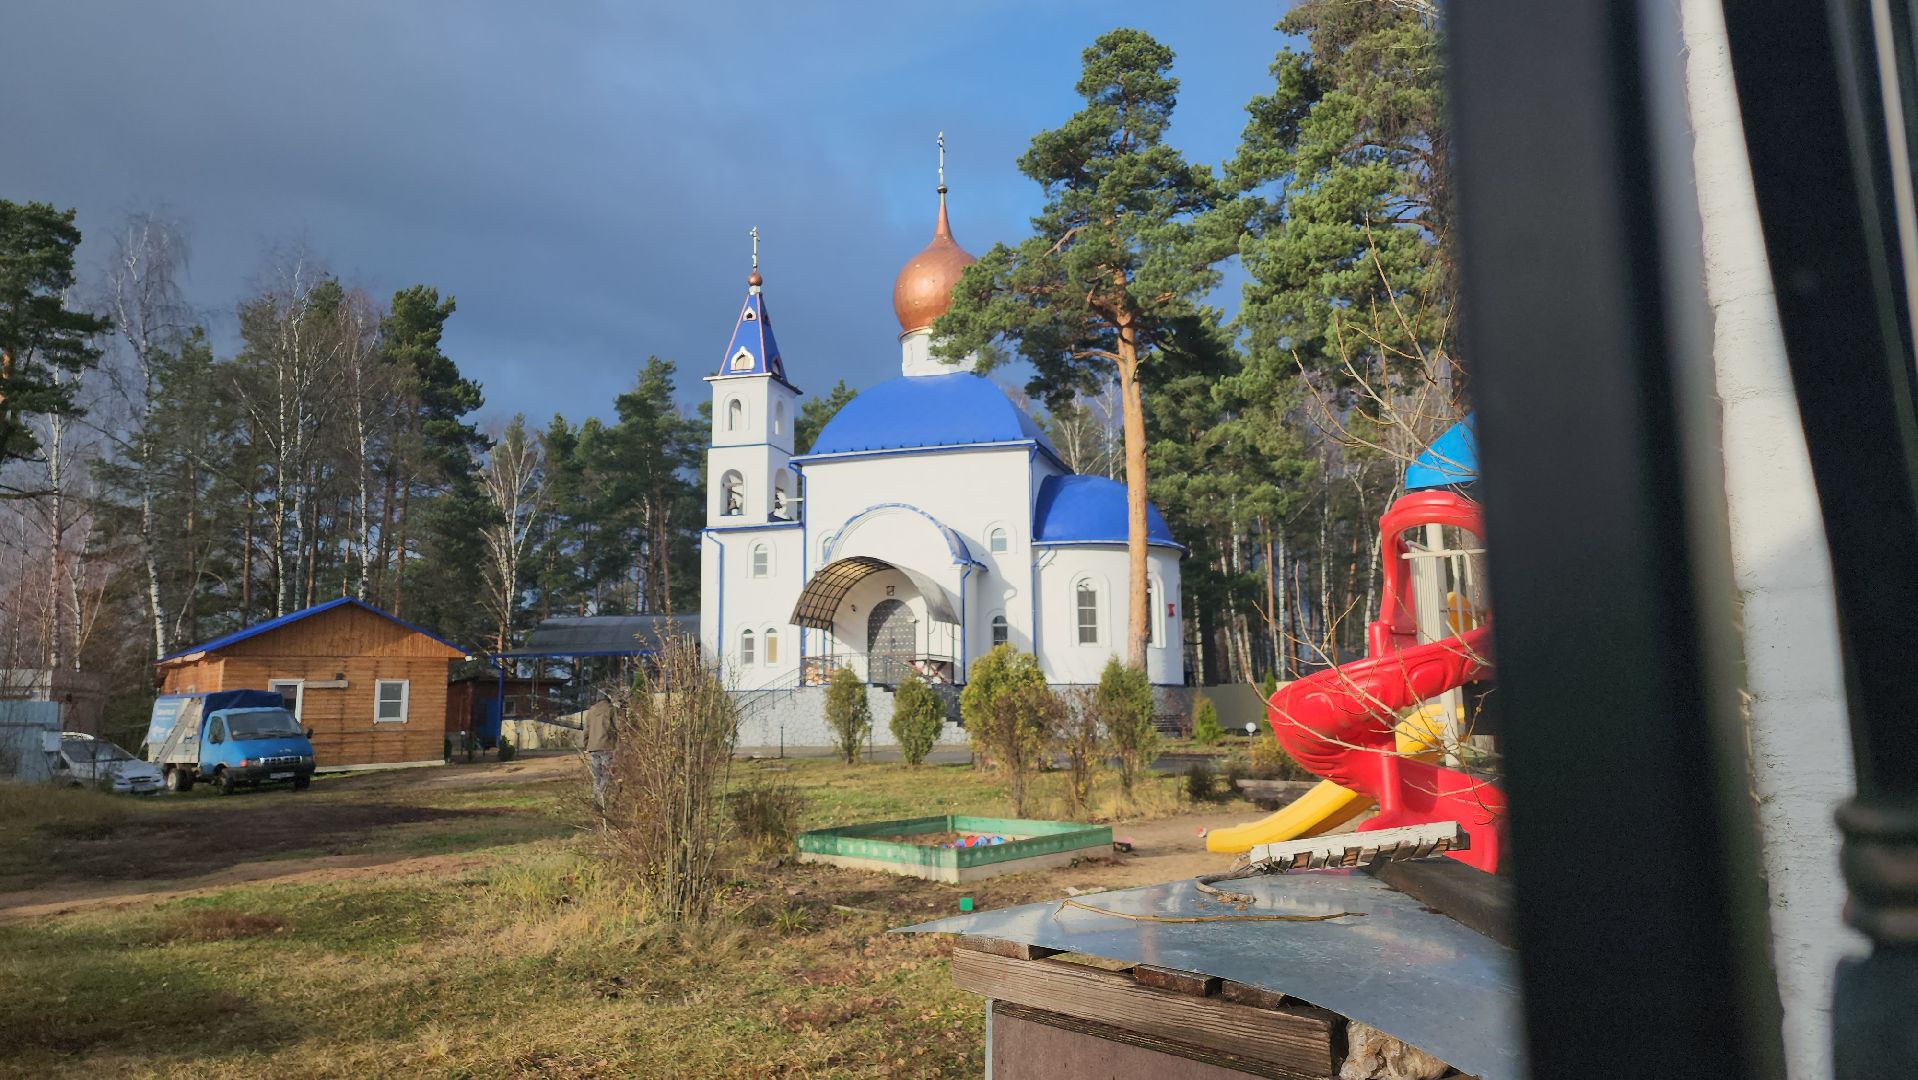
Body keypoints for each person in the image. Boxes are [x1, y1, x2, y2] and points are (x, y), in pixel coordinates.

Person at [584, 700, 616, 809]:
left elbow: (587, 729)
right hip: (606, 745)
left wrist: (586, 744)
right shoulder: (610, 709)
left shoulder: (591, 710)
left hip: (593, 747)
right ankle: (601, 800)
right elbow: (615, 728)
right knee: (606, 775)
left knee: (596, 776)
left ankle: (596, 801)